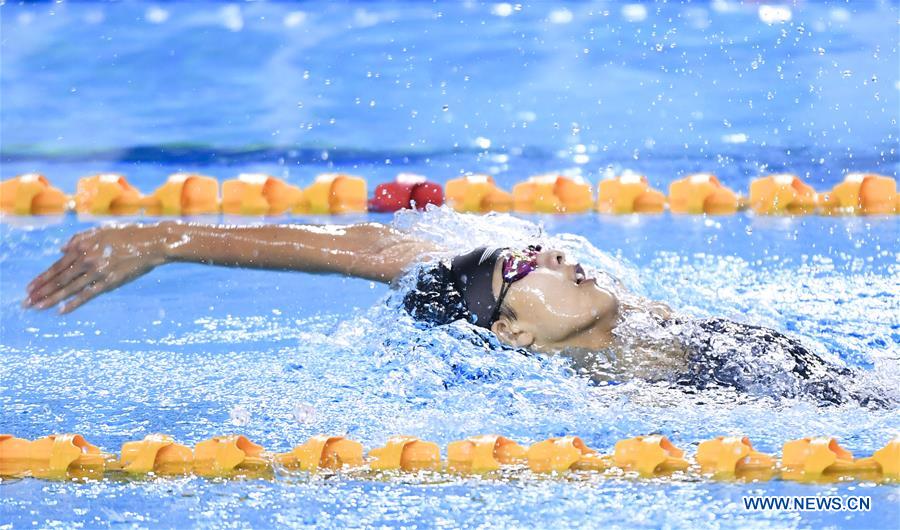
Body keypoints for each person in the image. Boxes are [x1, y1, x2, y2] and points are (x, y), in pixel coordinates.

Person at [23, 219, 883, 406]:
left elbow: (366, 249)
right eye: (526, 266)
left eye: (542, 247)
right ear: (509, 332)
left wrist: (165, 236)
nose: (554, 254)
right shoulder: (610, 394)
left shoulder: (641, 317)